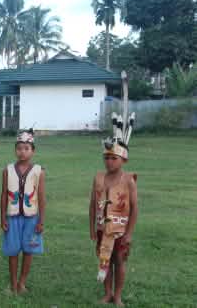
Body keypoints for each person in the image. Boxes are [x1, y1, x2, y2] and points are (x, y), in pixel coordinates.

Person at [90, 110, 139, 307]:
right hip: (103, 229)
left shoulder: (129, 180)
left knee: (119, 261)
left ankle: (117, 295)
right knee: (104, 260)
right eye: (107, 158)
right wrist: (92, 228)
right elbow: (93, 205)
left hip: (120, 231)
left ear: (124, 159)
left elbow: (134, 208)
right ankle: (107, 293)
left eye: (114, 158)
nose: (109, 162)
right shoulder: (98, 177)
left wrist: (129, 233)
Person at [1, 129, 46, 294]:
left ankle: (22, 283)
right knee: (12, 251)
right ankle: (13, 283)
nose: (22, 152)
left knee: (29, 250)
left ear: (33, 151)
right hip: (12, 217)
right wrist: (2, 218)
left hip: (32, 218)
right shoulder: (8, 170)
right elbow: (4, 195)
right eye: (19, 148)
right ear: (15, 149)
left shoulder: (38, 171)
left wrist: (41, 220)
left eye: (27, 148)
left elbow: (41, 197)